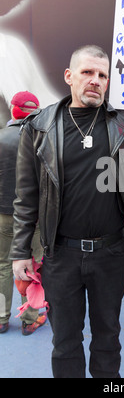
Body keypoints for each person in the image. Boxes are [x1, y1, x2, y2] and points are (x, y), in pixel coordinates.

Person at [11, 45, 124, 378]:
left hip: (111, 253)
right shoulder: (39, 127)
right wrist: (20, 252)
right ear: (69, 76)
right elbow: (26, 195)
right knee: (65, 341)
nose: (95, 80)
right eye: (87, 73)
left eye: (102, 75)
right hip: (61, 256)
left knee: (108, 338)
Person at [0, 91, 47, 335]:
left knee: (2, 266)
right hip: (34, 219)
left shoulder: (0, 138)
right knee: (32, 267)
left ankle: (1, 317)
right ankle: (30, 319)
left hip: (2, 215)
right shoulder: (43, 140)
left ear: (13, 111)